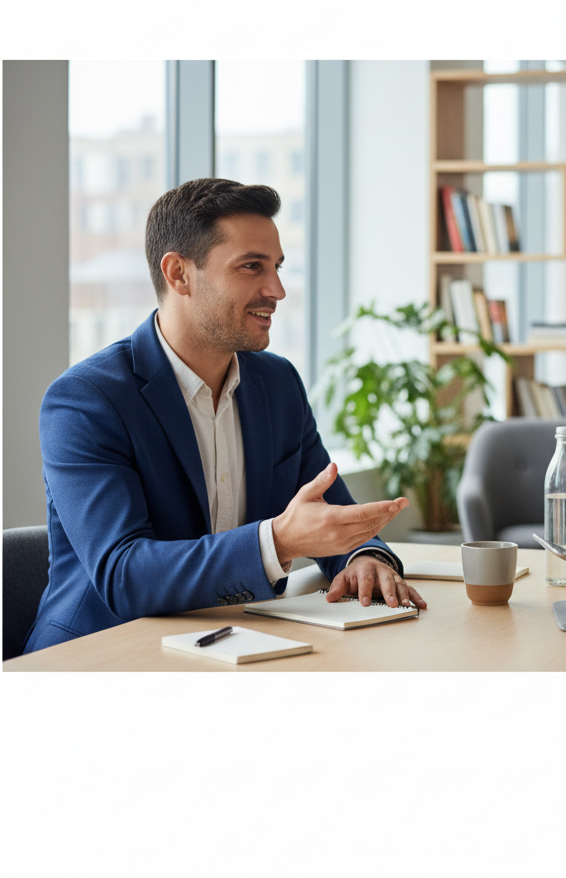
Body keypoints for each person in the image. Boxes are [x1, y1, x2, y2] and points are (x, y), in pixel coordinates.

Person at [25, 178, 425, 655]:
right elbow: (124, 574)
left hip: (239, 648)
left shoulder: (277, 384)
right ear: (178, 274)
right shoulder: (87, 401)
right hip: (100, 659)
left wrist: (365, 555)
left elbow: (330, 516)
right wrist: (276, 542)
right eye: (251, 267)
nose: (276, 289)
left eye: (277, 267)